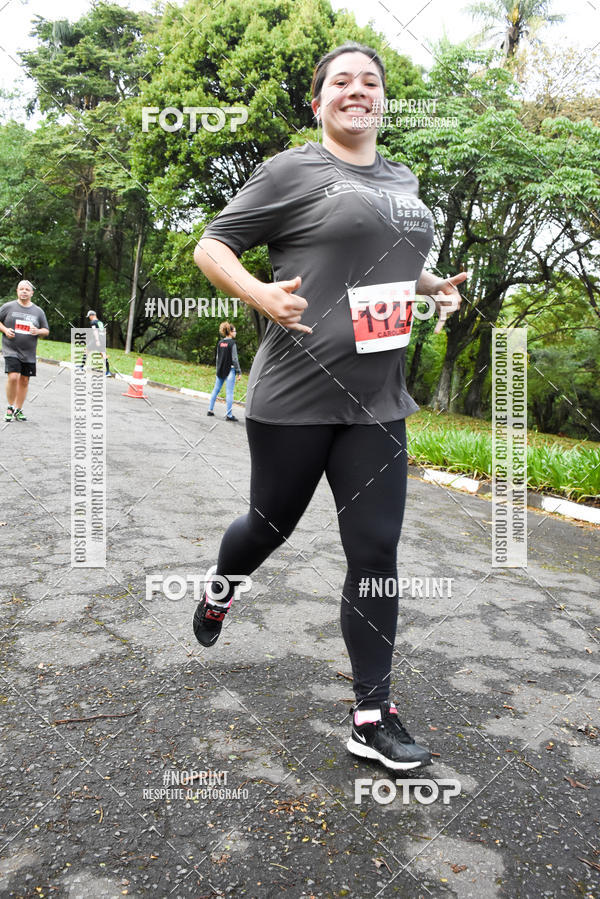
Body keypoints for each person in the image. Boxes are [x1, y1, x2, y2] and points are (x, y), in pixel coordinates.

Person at [192, 43, 466, 772]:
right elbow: (211, 245)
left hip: (378, 399)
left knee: (375, 550)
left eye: (369, 82)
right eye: (340, 81)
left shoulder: (404, 180)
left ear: (382, 100)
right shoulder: (293, 169)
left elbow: (383, 267)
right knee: (267, 526)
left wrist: (430, 286)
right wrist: (259, 293)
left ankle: (371, 713)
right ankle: (222, 590)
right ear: (319, 102)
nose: (356, 90)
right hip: (297, 392)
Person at [0, 280, 49, 422]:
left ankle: (18, 409)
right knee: (13, 376)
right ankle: (10, 407)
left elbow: (46, 330)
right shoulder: (8, 307)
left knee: (25, 380)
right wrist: (5, 330)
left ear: (32, 293)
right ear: (17, 291)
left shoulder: (38, 311)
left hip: (29, 352)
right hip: (11, 349)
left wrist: (37, 331)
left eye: (27, 289)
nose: (24, 291)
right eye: (21, 289)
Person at [206, 321, 242, 421]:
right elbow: (234, 359)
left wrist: (218, 369)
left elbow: (217, 358)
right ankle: (229, 415)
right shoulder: (232, 343)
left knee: (215, 390)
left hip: (220, 370)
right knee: (229, 393)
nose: (236, 333)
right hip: (230, 370)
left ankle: (210, 410)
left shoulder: (220, 343)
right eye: (234, 331)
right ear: (230, 332)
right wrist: (239, 371)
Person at [79, 310, 114, 376]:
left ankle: (81, 366)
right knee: (103, 354)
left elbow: (95, 331)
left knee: (86, 350)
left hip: (95, 340)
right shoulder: (100, 322)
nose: (89, 317)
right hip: (102, 340)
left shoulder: (93, 322)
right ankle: (108, 371)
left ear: (92, 315)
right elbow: (104, 332)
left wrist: (97, 340)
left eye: (89, 316)